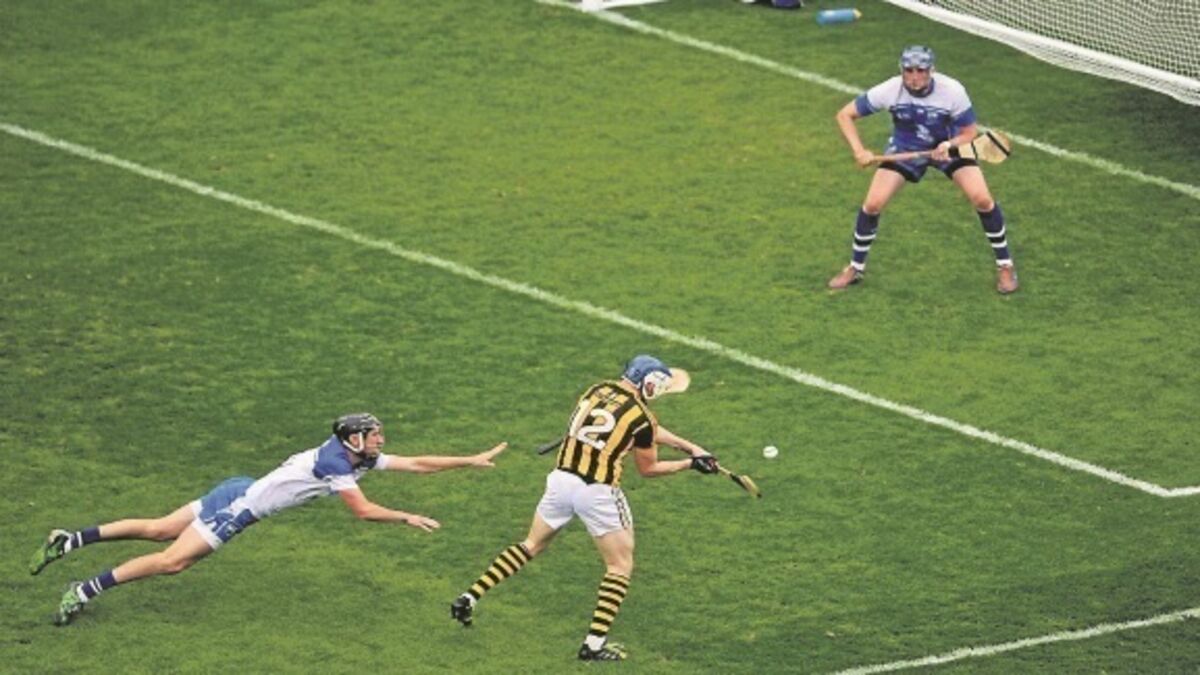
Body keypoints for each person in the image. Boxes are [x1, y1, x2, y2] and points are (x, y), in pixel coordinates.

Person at [31, 413, 507, 626]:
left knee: (159, 527)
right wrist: (406, 517)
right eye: (374, 435)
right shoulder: (336, 464)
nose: (381, 440)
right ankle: (82, 590)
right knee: (172, 560)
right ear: (354, 439)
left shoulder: (353, 456)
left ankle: (68, 540)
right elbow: (362, 511)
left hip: (240, 486)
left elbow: (417, 463)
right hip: (240, 506)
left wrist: (468, 460)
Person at [448, 355, 719, 662]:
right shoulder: (642, 418)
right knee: (619, 566)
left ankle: (469, 598)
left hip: (561, 481)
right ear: (650, 384)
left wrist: (691, 447)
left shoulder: (597, 389)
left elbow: (643, 428)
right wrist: (689, 464)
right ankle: (593, 644)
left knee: (531, 544)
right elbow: (648, 468)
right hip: (598, 491)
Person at [828, 45, 1018, 294]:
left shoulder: (953, 91)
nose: (914, 77)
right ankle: (855, 267)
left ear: (932, 71)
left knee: (982, 199)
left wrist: (948, 145)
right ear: (901, 70)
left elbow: (969, 132)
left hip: (950, 147)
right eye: (909, 70)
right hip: (906, 147)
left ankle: (1005, 265)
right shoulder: (889, 89)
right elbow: (845, 115)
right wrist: (859, 150)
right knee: (873, 204)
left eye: (921, 70)